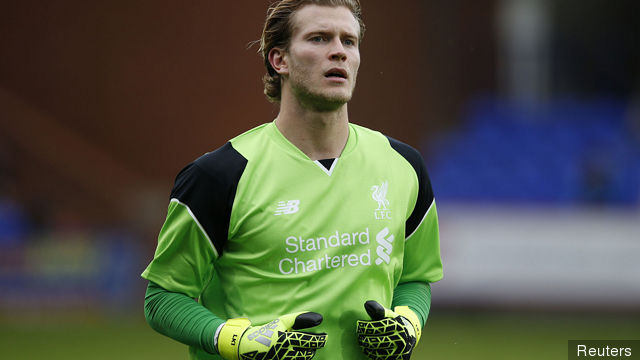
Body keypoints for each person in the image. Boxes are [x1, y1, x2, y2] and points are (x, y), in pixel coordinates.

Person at [141, 1, 443, 359]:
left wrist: (409, 320)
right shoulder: (220, 175)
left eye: (349, 41)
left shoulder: (404, 165)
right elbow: (162, 299)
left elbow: (414, 277)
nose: (338, 52)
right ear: (279, 60)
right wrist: (234, 340)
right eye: (318, 38)